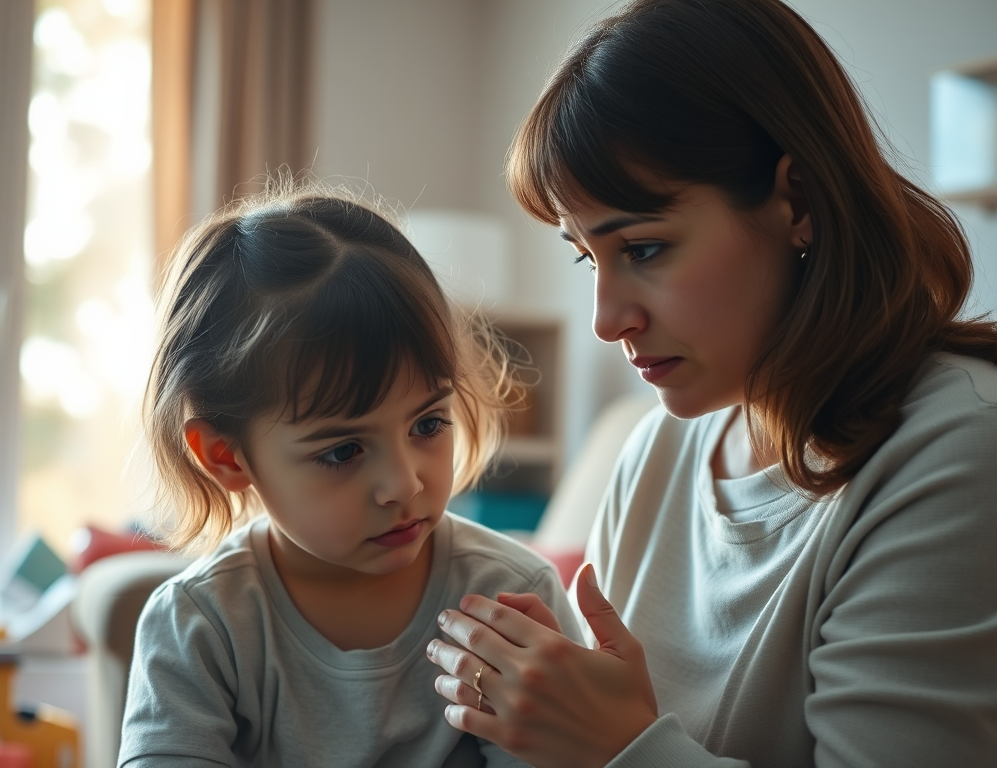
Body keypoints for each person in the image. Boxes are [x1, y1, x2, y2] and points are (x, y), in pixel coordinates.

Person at [425, 1, 997, 766]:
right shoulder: (657, 449)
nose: (606, 319)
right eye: (584, 258)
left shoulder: (954, 452)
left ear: (798, 203)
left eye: (646, 248)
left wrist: (616, 747)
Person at [118, 182, 582, 768]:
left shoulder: (509, 597)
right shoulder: (198, 624)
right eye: (342, 452)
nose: (405, 484)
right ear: (226, 457)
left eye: (429, 424)